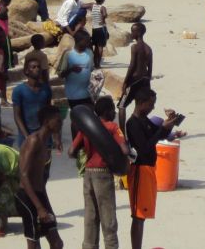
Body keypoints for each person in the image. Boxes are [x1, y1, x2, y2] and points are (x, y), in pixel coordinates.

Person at [69, 97, 128, 249]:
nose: (114, 112)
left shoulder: (86, 129)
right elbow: (124, 150)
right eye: (113, 110)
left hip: (88, 173)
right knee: (108, 216)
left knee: (90, 215)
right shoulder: (113, 127)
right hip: (103, 172)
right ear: (108, 111)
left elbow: (71, 152)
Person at [126, 90, 179, 249]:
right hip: (139, 171)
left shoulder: (144, 120)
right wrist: (161, 129)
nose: (152, 107)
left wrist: (170, 123)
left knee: (143, 214)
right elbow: (144, 148)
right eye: (150, 104)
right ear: (141, 103)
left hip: (148, 170)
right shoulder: (133, 123)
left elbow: (159, 136)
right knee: (138, 215)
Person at [16, 105, 65, 249]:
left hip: (39, 194)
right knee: (34, 243)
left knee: (57, 243)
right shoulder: (34, 141)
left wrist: (47, 206)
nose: (61, 123)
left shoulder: (45, 144)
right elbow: (24, 175)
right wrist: (39, 207)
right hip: (26, 196)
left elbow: (40, 180)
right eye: (57, 120)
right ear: (46, 121)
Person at [58, 31, 95, 141]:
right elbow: (60, 74)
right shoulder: (68, 54)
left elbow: (91, 69)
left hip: (88, 93)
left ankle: (86, 141)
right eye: (86, 40)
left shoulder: (90, 53)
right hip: (73, 94)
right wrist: (71, 69)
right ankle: (76, 143)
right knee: (76, 120)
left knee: (90, 118)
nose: (89, 42)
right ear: (78, 41)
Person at [13, 58, 56, 149]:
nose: (37, 69)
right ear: (27, 71)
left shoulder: (46, 89)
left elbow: (49, 113)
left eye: (38, 67)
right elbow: (17, 116)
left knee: (45, 162)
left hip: (44, 136)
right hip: (26, 136)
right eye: (33, 67)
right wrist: (26, 136)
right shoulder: (19, 90)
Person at [121, 22, 152, 110]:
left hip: (134, 80)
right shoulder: (148, 48)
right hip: (145, 79)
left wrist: (125, 82)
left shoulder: (134, 47)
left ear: (138, 33)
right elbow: (150, 68)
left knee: (122, 105)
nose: (131, 33)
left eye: (132, 31)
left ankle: (122, 124)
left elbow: (132, 65)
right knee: (140, 104)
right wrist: (148, 82)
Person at [91, 0, 109, 69]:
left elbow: (83, 5)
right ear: (102, 0)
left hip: (94, 28)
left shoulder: (93, 6)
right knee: (100, 46)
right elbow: (104, 14)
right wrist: (103, 18)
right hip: (101, 28)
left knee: (95, 46)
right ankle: (98, 64)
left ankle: (95, 63)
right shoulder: (102, 7)